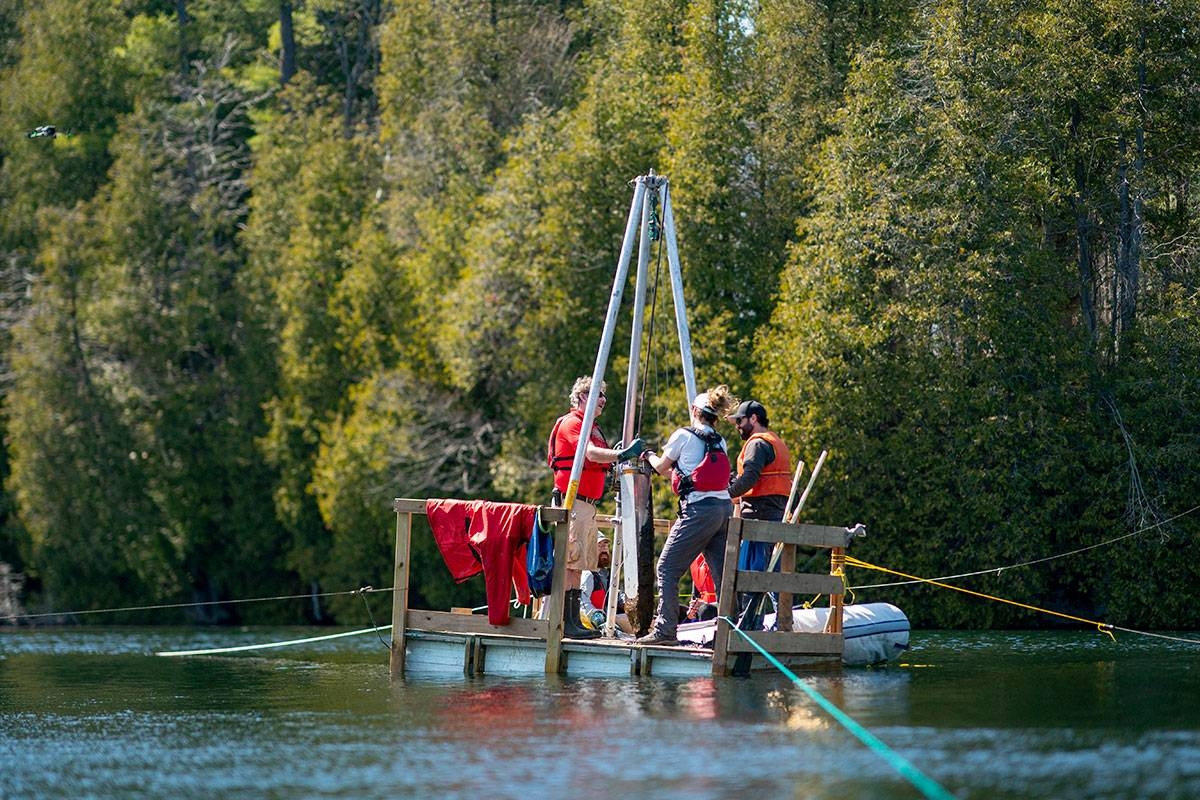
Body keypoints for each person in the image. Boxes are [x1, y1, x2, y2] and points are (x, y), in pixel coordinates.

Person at [638, 385, 737, 646]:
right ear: (714, 416)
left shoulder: (683, 434)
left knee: (667, 568)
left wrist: (647, 454)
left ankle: (665, 631)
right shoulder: (720, 440)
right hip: (724, 509)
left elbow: (661, 468)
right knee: (721, 574)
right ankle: (732, 632)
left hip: (698, 510)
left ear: (694, 410)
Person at [548, 376, 644, 639]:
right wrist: (621, 455)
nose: (603, 400)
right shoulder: (573, 424)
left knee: (578, 564)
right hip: (573, 502)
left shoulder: (591, 426)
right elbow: (589, 453)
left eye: (603, 395)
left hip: (586, 505)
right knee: (571, 562)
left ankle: (573, 621)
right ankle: (566, 623)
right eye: (597, 394)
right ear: (581, 397)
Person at [726, 399, 793, 573]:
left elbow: (749, 478)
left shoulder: (757, 444)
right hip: (776, 515)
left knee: (753, 577)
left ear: (753, 419)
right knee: (774, 576)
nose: (737, 426)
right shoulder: (775, 442)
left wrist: (725, 495)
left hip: (758, 519)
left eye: (740, 421)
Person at [579, 534, 634, 634]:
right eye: (599, 545)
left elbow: (614, 594)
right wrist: (595, 616)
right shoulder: (587, 574)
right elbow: (582, 601)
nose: (604, 548)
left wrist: (628, 602)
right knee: (634, 621)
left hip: (607, 622)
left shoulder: (605, 575)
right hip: (593, 625)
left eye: (606, 545)